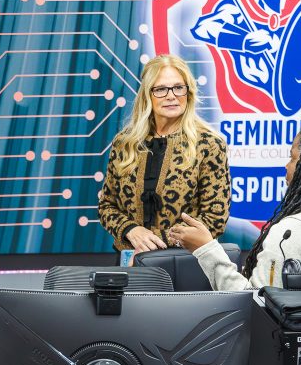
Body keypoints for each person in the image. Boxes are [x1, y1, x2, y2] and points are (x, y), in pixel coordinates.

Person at [169, 119, 301, 291]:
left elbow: (256, 304)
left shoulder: (295, 232)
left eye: (293, 158)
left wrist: (206, 249)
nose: (286, 167)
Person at [98, 54, 230, 253]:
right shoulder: (125, 143)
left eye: (178, 87)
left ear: (189, 93)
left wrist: (152, 242)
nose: (171, 95)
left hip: (186, 264)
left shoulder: (209, 145)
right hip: (131, 264)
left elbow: (215, 220)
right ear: (147, 95)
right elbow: (107, 206)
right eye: (160, 89)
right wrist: (131, 230)